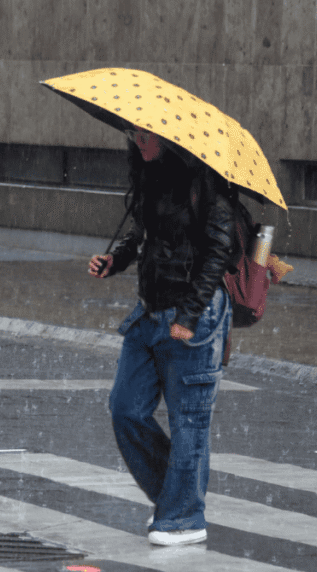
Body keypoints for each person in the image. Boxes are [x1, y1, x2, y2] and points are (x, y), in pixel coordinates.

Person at [87, 127, 236, 546]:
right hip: (149, 313)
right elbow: (143, 235)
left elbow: (217, 253)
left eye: (145, 135)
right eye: (132, 134)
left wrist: (189, 315)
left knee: (189, 421)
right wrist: (115, 260)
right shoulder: (148, 176)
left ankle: (185, 518)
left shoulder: (205, 181)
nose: (138, 142)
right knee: (125, 408)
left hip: (194, 319)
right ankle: (176, 498)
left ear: (170, 137)